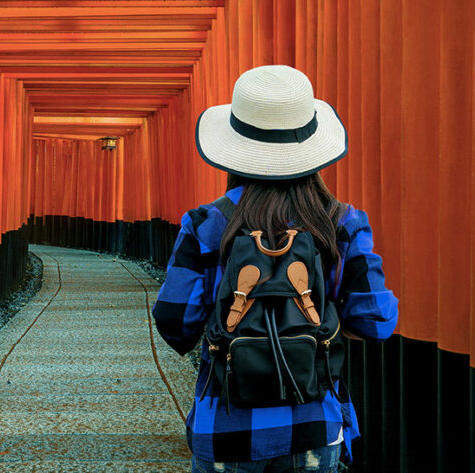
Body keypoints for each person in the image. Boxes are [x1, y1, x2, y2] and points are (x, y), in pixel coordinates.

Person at [152, 65, 398, 473]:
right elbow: (376, 322)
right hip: (314, 426)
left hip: (224, 426)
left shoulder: (206, 224)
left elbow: (174, 320)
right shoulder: (342, 223)